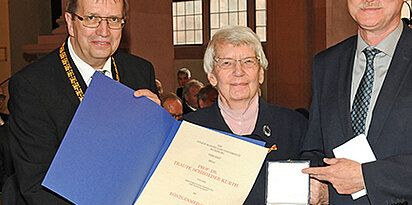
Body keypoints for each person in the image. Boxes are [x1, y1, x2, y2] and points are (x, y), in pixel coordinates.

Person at [301, 0, 412, 204]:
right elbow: (314, 149)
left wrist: (368, 178)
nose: (369, 0)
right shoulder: (326, 64)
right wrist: (318, 187)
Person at [7, 0, 160, 203]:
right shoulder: (32, 86)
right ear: (70, 22)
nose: (104, 31)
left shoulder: (140, 72)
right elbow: (38, 186)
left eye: (113, 19)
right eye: (91, 18)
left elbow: (150, 161)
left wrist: (156, 125)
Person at [182, 26, 307, 204]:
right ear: (212, 78)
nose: (238, 71)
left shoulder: (295, 126)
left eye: (248, 61)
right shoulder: (188, 131)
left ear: (261, 73)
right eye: (226, 62)